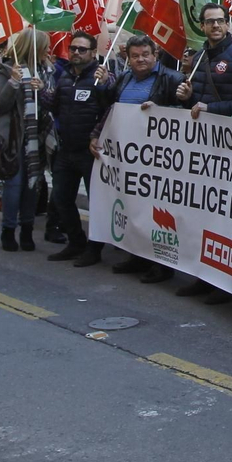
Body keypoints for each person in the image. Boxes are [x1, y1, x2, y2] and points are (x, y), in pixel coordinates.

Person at [92, 34, 190, 280]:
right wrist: (97, 134)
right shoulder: (124, 78)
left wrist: (163, 112)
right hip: (129, 160)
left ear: (155, 55)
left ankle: (162, 265)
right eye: (135, 56)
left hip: (160, 161)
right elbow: (110, 110)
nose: (141, 60)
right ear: (128, 57)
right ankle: (137, 257)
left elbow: (188, 115)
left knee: (159, 215)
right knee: (134, 209)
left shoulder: (173, 78)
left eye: (146, 55)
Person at [173, 3, 232, 299]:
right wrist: (186, 99)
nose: (215, 26)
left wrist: (209, 107)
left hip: (230, 148)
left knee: (224, 219)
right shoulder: (201, 55)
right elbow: (195, 102)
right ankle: (203, 275)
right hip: (204, 149)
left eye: (220, 21)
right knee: (202, 215)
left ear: (228, 24)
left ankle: (223, 283)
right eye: (209, 22)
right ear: (202, 26)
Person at [42, 30, 117, 266]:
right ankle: (76, 242)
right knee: (62, 198)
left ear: (93, 53)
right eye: (73, 48)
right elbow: (53, 104)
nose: (76, 53)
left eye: (82, 49)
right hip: (66, 150)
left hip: (90, 152)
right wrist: (38, 90)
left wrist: (105, 85)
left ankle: (94, 250)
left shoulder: (101, 77)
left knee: (96, 203)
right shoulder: (63, 77)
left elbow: (112, 106)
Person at [0, 33, 46, 253]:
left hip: (35, 138)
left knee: (32, 186)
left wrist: (43, 91)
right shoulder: (5, 69)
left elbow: (51, 101)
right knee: (14, 185)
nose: (47, 52)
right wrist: (14, 82)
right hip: (13, 137)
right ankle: (8, 229)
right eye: (44, 47)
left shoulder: (44, 70)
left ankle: (26, 229)